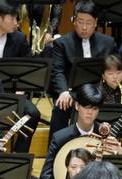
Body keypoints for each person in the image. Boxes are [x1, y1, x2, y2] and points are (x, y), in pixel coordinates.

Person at [40, 84, 122, 179]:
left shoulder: (105, 135)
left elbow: (115, 176)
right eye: (86, 107)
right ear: (77, 105)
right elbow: (46, 176)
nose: (90, 113)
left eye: (94, 109)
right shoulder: (60, 137)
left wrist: (119, 153)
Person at [49, 0, 117, 136]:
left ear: (95, 22)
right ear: (74, 21)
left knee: (114, 104)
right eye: (80, 22)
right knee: (61, 106)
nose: (84, 27)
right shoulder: (62, 43)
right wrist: (63, 91)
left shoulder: (108, 43)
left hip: (99, 91)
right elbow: (58, 71)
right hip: (72, 93)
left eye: (88, 23)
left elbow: (113, 69)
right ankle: (55, 151)